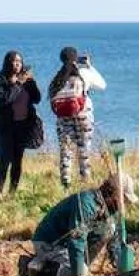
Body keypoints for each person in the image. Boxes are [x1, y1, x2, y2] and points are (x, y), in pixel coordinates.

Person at [27, 173, 139, 276]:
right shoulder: (86, 204)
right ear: (111, 193)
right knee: (82, 273)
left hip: (67, 246)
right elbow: (76, 239)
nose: (124, 204)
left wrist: (120, 267)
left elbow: (115, 241)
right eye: (123, 199)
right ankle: (40, 269)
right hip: (49, 243)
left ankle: (72, 265)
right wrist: (80, 275)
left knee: (110, 228)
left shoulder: (110, 209)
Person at [49, 47, 106, 187]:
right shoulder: (84, 73)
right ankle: (85, 180)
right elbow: (102, 85)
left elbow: (51, 97)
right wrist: (90, 66)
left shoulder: (57, 78)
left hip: (63, 117)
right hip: (83, 115)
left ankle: (66, 183)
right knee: (84, 148)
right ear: (76, 58)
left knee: (65, 149)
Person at [0, 50, 42, 197]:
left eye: (19, 61)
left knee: (17, 161)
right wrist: (17, 83)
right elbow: (4, 100)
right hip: (5, 127)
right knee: (5, 159)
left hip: (22, 126)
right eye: (14, 61)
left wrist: (31, 82)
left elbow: (37, 99)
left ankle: (12, 192)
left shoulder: (25, 80)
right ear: (7, 63)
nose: (17, 64)